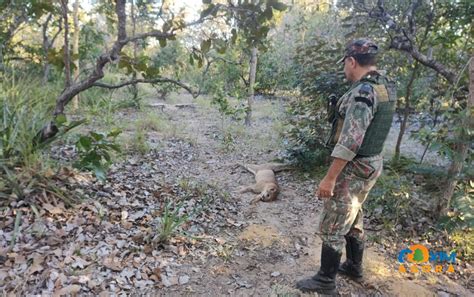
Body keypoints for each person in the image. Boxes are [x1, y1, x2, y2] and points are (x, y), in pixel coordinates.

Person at [296, 38, 397, 295]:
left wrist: (329, 178)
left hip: (355, 165)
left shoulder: (363, 92)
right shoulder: (385, 86)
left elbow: (351, 141)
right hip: (372, 163)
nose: (344, 69)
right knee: (353, 213)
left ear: (352, 61)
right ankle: (353, 265)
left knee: (333, 222)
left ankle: (325, 281)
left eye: (345, 64)